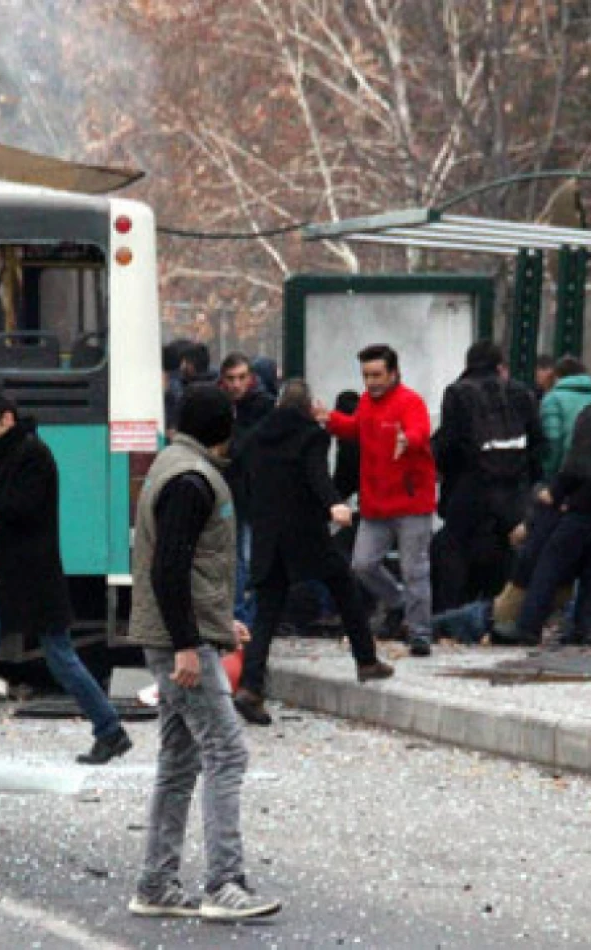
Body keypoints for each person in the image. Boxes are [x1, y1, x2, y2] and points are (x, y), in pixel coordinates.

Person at [125, 385, 281, 921]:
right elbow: (169, 568)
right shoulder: (193, 481)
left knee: (179, 759)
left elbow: (186, 569)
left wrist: (215, 623)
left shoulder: (173, 466)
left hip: (173, 634)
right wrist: (189, 643)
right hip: (177, 644)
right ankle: (224, 884)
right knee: (227, 751)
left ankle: (157, 883)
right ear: (225, 427)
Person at [0, 390, 132, 766]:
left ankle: (110, 730)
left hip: (31, 578)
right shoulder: (18, 453)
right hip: (17, 576)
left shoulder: (32, 456)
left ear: (6, 420)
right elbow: (9, 501)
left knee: (58, 658)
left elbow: (17, 508)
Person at [232, 380, 392, 725]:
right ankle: (366, 660)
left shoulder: (256, 437)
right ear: (308, 407)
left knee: (266, 614)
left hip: (267, 535)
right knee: (345, 587)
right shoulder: (312, 436)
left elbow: (241, 475)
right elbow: (316, 474)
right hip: (305, 533)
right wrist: (334, 503)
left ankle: (250, 687)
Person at [320, 344, 437, 656]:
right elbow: (355, 428)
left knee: (415, 568)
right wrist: (328, 419)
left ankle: (420, 632)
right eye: (366, 375)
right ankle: (399, 602)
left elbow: (420, 431)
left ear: (393, 373)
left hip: (410, 502)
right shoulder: (366, 403)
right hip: (376, 503)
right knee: (362, 564)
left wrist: (407, 440)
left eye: (376, 375)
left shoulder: (410, 402)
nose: (371, 382)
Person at [512, 365, 591, 648]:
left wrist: (557, 492)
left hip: (586, 502)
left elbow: (576, 463)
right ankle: (586, 627)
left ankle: (529, 626)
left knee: (551, 561)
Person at [432, 340, 545, 612]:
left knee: (455, 552)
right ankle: (500, 616)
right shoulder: (521, 393)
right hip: (513, 493)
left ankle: (454, 616)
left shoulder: (458, 393)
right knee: (505, 554)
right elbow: (538, 443)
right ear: (499, 366)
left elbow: (448, 444)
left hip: (469, 489)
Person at [219, 352, 274, 629]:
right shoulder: (222, 406)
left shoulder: (263, 406)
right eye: (231, 379)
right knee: (238, 556)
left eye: (241, 378)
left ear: (251, 379)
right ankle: (241, 616)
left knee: (250, 557)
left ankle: (248, 616)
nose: (236, 384)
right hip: (234, 489)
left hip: (256, 490)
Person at [539, 356, 591, 482]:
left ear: (557, 376)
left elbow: (553, 441)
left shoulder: (553, 399)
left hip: (564, 475)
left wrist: (547, 475)